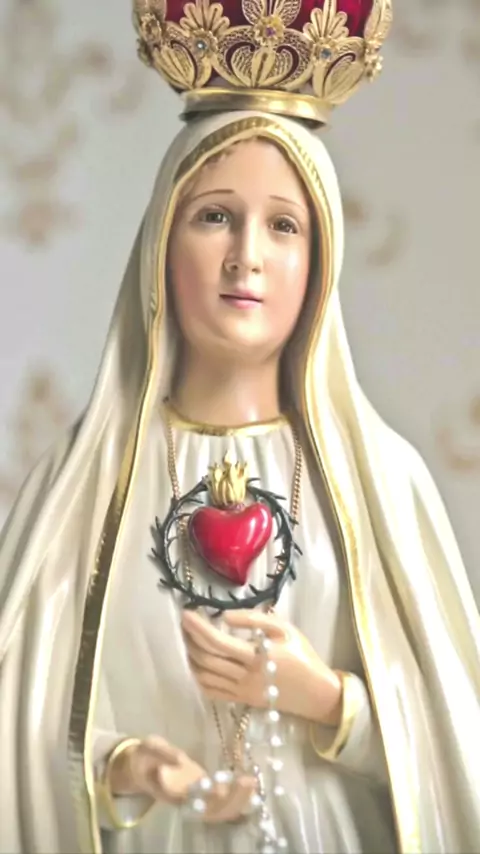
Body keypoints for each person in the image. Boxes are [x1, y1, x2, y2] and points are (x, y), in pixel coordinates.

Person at [1, 2, 479, 853]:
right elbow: (21, 733)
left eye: (282, 225)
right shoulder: (81, 488)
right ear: (162, 240)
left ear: (320, 258)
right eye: (215, 215)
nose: (245, 255)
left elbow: (455, 743)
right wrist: (131, 766)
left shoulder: (383, 481)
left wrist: (326, 699)